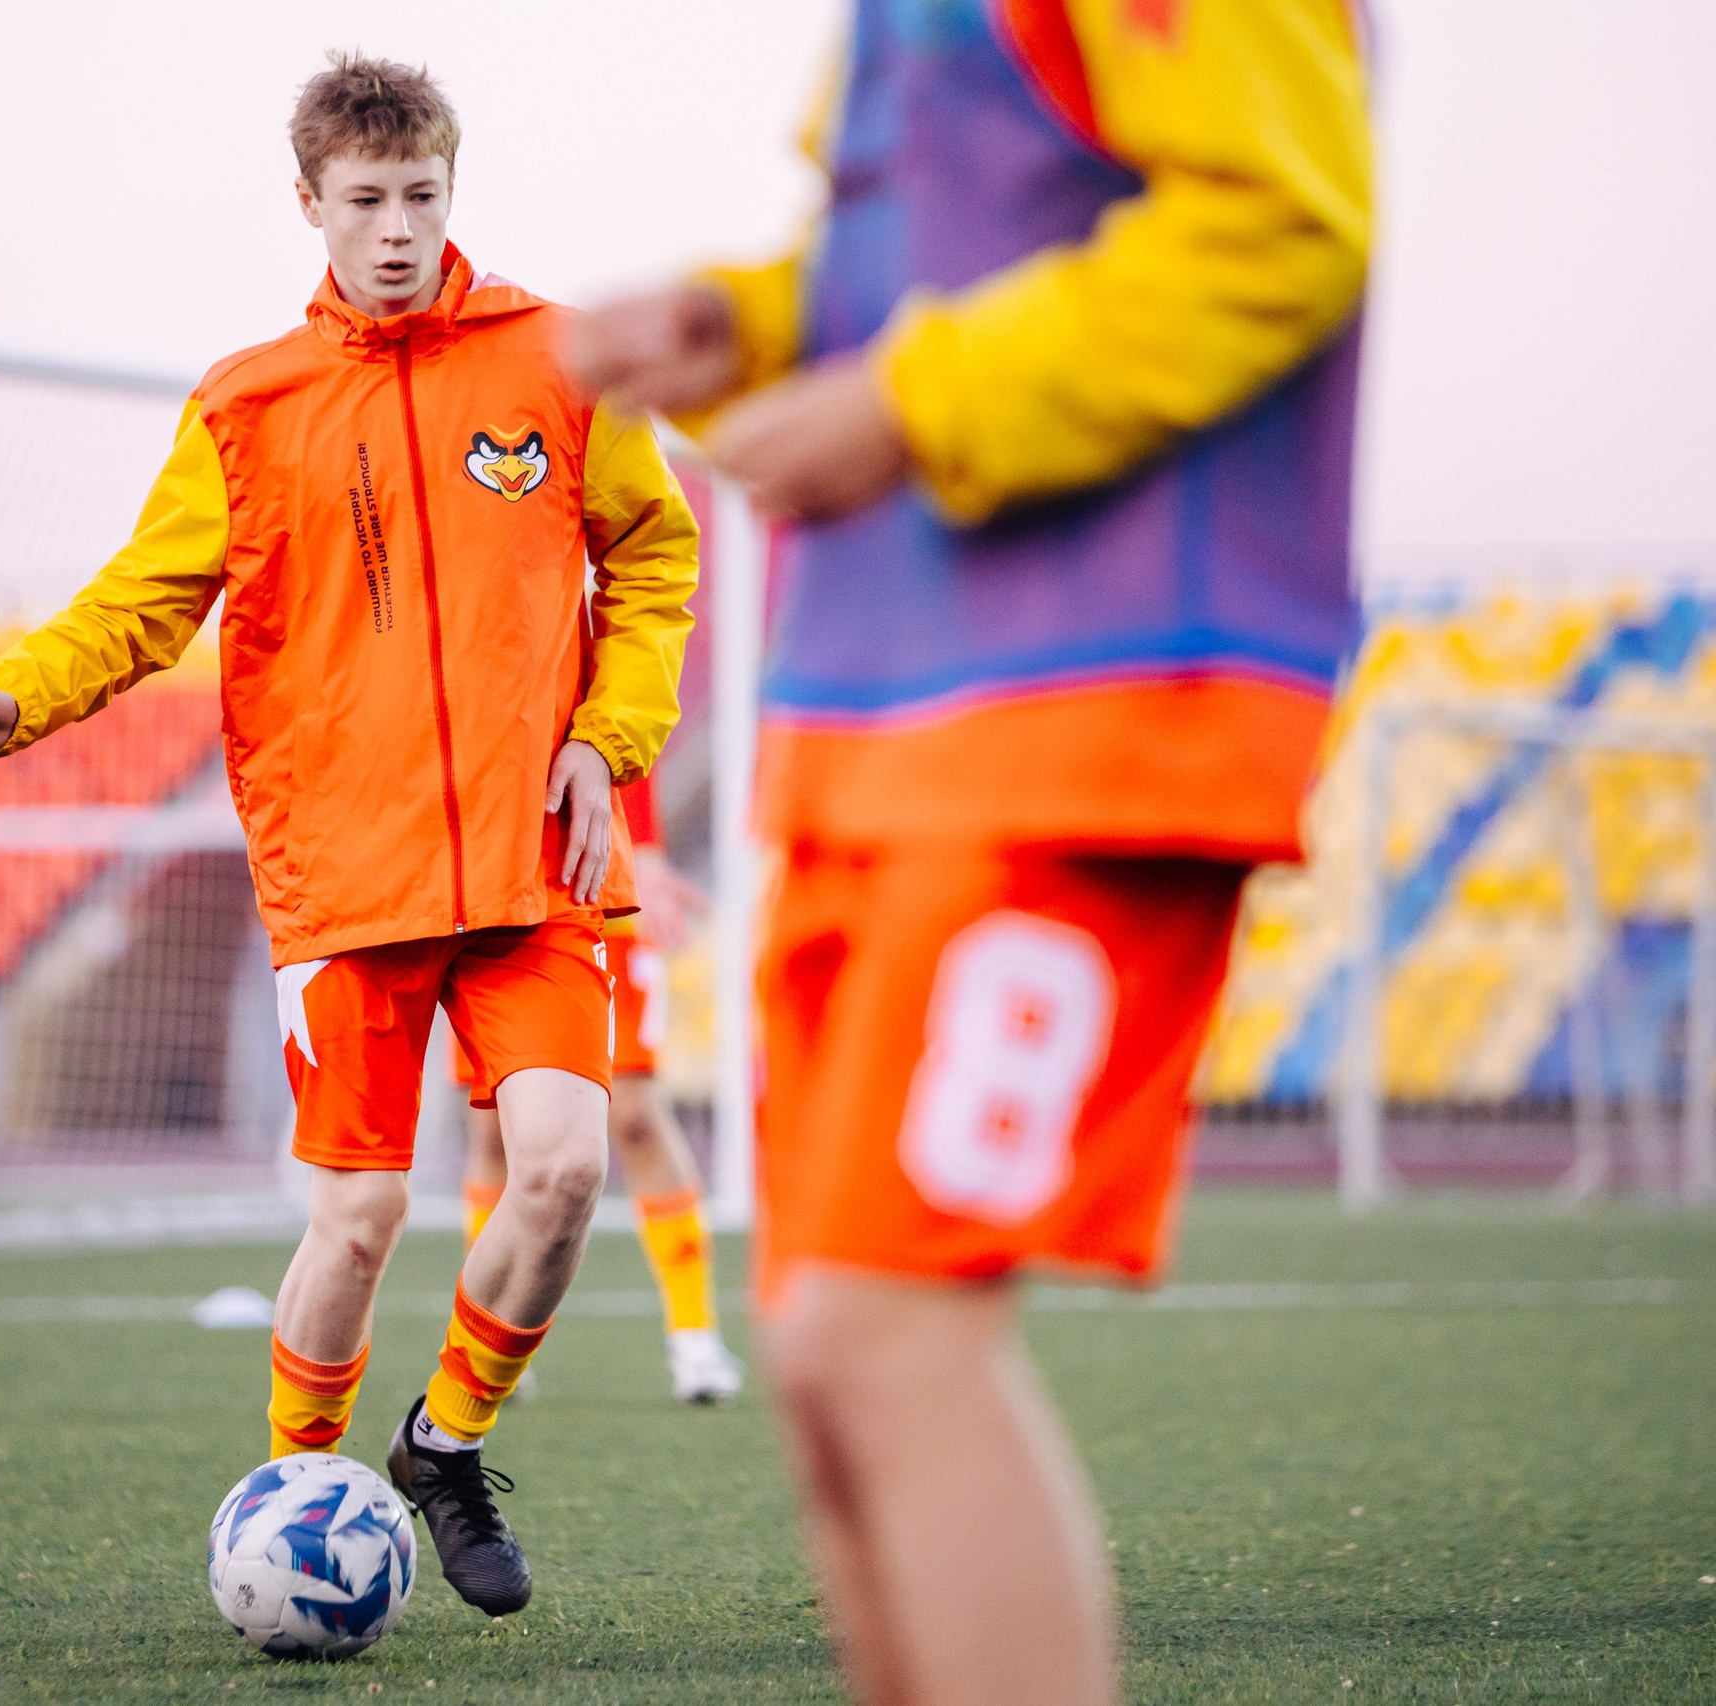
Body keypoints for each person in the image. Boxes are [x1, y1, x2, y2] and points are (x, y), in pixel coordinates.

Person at [566, 1, 1370, 1700]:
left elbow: (1284, 222)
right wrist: (746, 320)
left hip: (1091, 711)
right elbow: (920, 248)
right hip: (885, 727)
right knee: (828, 1358)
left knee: (884, 1336)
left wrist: (914, 403)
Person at [0, 55, 696, 1616]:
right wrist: (20, 697)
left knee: (561, 1173)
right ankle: (291, 1497)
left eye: (421, 198)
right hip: (343, 881)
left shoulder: (554, 362)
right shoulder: (248, 403)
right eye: (365, 202)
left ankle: (446, 1444)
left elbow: (654, 563)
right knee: (359, 1218)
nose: (396, 230)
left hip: (532, 864)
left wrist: (610, 742)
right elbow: (146, 599)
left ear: (451, 192)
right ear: (311, 206)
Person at [454, 773, 742, 1404]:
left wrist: (651, 856)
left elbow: (621, 720)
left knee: (635, 1113)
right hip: (492, 884)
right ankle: (487, 1338)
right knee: (493, 1125)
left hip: (602, 881)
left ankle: (694, 1335)